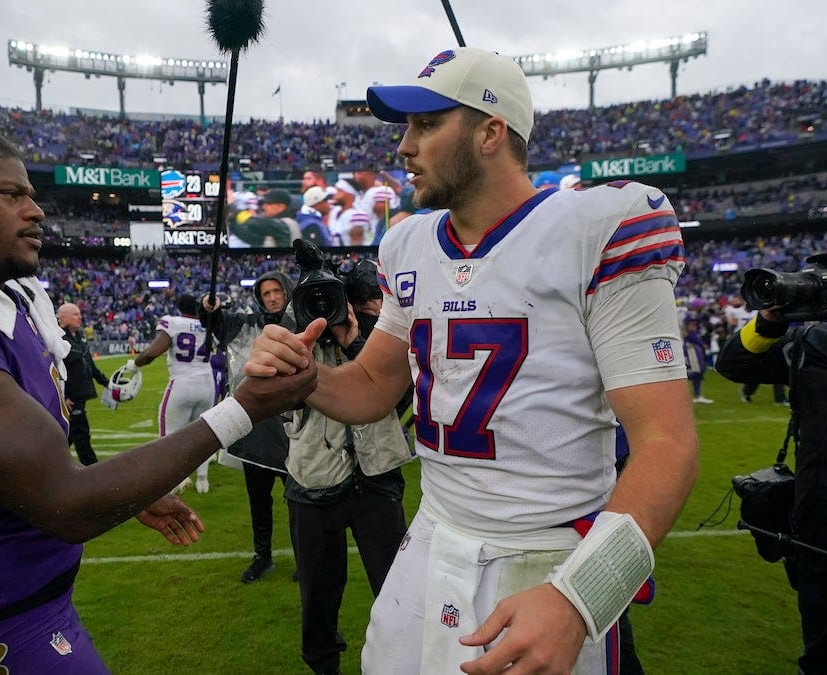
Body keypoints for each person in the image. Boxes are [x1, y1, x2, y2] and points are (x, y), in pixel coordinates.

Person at [0, 118, 315, 673]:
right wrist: (246, 409)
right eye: (10, 193)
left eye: (32, 193)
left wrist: (127, 491)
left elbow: (21, 467)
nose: (36, 209)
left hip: (27, 608)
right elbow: (63, 501)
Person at [246, 47, 699, 674]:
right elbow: (375, 383)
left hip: (547, 546)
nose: (404, 146)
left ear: (491, 132)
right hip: (435, 531)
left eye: (427, 124)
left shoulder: (599, 227)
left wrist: (579, 597)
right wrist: (309, 379)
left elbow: (667, 442)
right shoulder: (408, 243)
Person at [717, 217, 827, 674]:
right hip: (821, 543)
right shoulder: (820, 337)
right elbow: (736, 365)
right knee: (826, 659)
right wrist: (772, 319)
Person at [284, 256, 413, 675]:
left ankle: (404, 659)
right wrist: (304, 340)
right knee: (318, 591)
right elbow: (278, 400)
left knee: (396, 585)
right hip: (313, 477)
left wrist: (355, 341)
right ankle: (323, 664)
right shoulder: (294, 336)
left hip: (376, 477)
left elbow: (401, 397)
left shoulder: (380, 336)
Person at [202, 270, 297, 583]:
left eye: (276, 291)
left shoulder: (299, 323)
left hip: (292, 430)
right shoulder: (249, 324)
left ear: (287, 291)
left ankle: (305, 555)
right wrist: (210, 309)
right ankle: (262, 556)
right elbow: (218, 324)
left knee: (299, 502)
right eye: (265, 293)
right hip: (255, 428)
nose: (271, 297)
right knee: (259, 502)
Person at [125, 294, 218, 493]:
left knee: (169, 437)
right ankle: (203, 479)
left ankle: (176, 481)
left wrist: (135, 364)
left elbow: (152, 352)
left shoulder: (173, 322)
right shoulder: (208, 323)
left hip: (182, 383)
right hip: (207, 384)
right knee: (203, 434)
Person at [58, 302, 110, 465]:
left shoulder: (79, 337)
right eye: (75, 314)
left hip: (80, 396)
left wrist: (109, 384)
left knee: (71, 437)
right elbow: (52, 369)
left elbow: (90, 367)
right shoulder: (57, 339)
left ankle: (47, 466)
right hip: (70, 400)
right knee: (81, 438)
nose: (80, 317)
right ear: (63, 318)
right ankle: (95, 474)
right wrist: (62, 396)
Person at [684, 317, 714, 404]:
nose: (694, 326)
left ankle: (697, 395)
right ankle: (695, 394)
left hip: (695, 350)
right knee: (696, 372)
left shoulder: (694, 332)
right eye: (692, 324)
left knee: (698, 372)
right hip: (691, 350)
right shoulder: (690, 333)